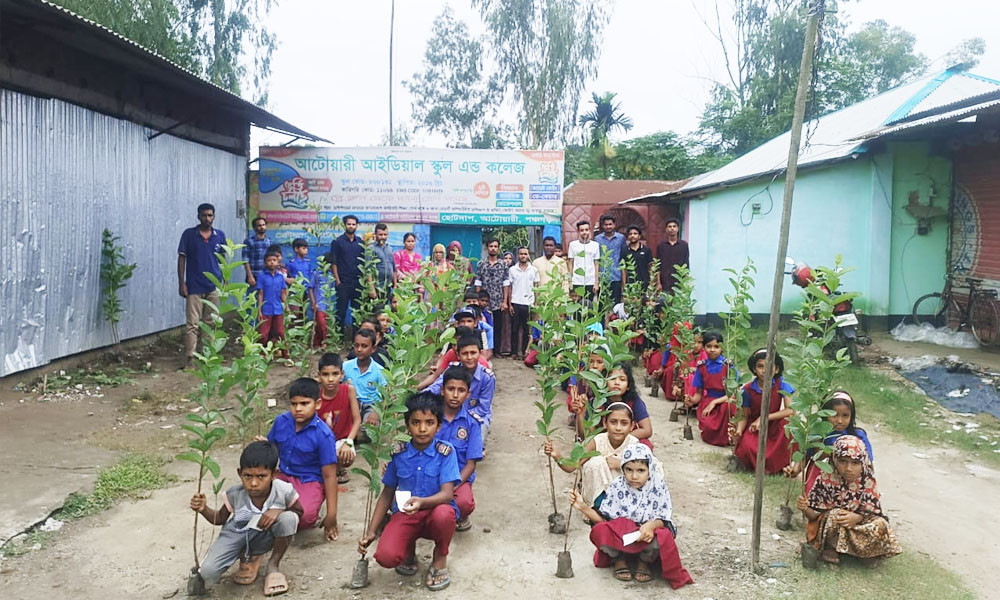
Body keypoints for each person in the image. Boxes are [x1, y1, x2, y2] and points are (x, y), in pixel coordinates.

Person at [358, 392, 461, 591]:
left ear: (439, 426)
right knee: (385, 557)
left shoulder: (446, 452)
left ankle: (440, 557)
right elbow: (387, 493)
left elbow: (447, 494)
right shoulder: (399, 452)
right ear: (407, 425)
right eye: (416, 422)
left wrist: (422, 502)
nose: (422, 429)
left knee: (445, 514)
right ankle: (408, 548)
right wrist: (371, 531)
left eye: (429, 422)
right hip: (405, 513)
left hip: (434, 513)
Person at [569, 444, 693, 588]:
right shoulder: (617, 486)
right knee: (600, 530)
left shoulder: (658, 486)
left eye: (641, 470)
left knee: (664, 536)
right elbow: (605, 520)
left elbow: (664, 519)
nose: (634, 476)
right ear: (622, 469)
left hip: (646, 536)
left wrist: (651, 525)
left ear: (650, 470)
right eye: (629, 470)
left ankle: (644, 560)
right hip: (621, 537)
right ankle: (619, 558)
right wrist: (582, 507)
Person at [190, 441, 302, 596]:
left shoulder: (283, 490)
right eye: (247, 476)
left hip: (264, 534)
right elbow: (220, 519)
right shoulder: (235, 494)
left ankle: (273, 565)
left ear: (274, 474)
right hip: (237, 535)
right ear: (239, 473)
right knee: (208, 572)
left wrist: (279, 510)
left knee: (288, 519)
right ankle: (246, 557)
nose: (253, 483)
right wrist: (203, 509)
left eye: (261, 476)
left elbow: (299, 512)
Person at [797, 435, 901, 565]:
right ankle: (831, 548)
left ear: (863, 463)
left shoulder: (867, 480)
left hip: (858, 526)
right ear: (834, 459)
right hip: (837, 527)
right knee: (834, 516)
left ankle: (867, 552)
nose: (848, 468)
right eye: (843, 461)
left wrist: (857, 517)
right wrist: (805, 508)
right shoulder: (826, 479)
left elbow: (874, 513)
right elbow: (814, 516)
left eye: (855, 463)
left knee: (880, 524)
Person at [265, 377, 339, 537]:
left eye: (304, 404)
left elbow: (329, 475)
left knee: (305, 518)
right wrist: (263, 446)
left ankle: (283, 511)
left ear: (317, 404)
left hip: (309, 480)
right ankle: (279, 511)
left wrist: (332, 515)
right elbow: (271, 449)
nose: (298, 408)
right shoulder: (281, 422)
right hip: (283, 475)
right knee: (255, 498)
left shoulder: (323, 435)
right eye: (294, 404)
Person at [545, 402, 638, 506]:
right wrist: (557, 456)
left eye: (624, 423)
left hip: (626, 498)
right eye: (613, 422)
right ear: (604, 423)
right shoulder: (598, 441)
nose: (618, 428)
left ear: (632, 426)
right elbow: (572, 466)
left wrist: (621, 464)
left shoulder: (634, 445)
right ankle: (597, 507)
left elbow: (648, 472)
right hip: (599, 497)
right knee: (596, 462)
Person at [784, 390, 873, 494]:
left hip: (850, 479)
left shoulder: (858, 436)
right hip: (819, 477)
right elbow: (805, 456)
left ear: (851, 416)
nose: (840, 421)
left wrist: (870, 484)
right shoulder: (816, 435)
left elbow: (868, 463)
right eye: (834, 415)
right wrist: (795, 470)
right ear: (825, 415)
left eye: (845, 415)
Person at [177, 203, 226, 368]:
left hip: (213, 287)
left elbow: (222, 260)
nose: (207, 218)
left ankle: (207, 358)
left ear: (214, 216)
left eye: (210, 215)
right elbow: (182, 258)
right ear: (198, 216)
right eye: (204, 215)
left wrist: (224, 280)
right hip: (194, 286)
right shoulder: (189, 235)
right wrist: (181, 282)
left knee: (210, 323)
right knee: (192, 324)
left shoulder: (219, 236)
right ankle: (190, 358)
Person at [435, 366, 483, 532]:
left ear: (468, 394)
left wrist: (452, 486)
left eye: (461, 390)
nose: (455, 395)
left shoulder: (472, 424)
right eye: (450, 389)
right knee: (398, 501)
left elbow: (471, 464)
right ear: (442, 390)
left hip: (457, 479)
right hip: (429, 474)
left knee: (464, 503)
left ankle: (459, 516)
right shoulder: (430, 417)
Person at [733, 348, 795, 474]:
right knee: (748, 447)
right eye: (760, 366)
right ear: (754, 369)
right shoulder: (747, 390)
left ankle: (778, 465)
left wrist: (764, 418)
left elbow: (791, 410)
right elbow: (744, 415)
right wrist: (739, 431)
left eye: (769, 366)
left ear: (776, 369)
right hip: (755, 428)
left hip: (773, 425)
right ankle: (760, 466)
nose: (765, 370)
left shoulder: (781, 383)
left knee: (789, 426)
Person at [426, 335, 495, 446]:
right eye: (465, 353)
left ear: (480, 353)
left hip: (475, 415)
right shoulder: (452, 368)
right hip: (450, 411)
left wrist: (461, 416)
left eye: (473, 353)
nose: (469, 357)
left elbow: (483, 408)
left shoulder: (487, 377)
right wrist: (420, 398)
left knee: (475, 443)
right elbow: (436, 386)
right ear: (458, 355)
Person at [574, 364, 653, 449]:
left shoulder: (634, 401)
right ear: (604, 382)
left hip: (628, 441)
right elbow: (587, 435)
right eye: (612, 378)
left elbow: (647, 430)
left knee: (645, 446)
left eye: (622, 379)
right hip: (603, 442)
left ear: (628, 386)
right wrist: (581, 414)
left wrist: (621, 438)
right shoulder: (597, 401)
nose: (617, 383)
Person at [316, 353, 361, 484]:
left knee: (347, 456)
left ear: (342, 374)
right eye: (325, 375)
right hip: (321, 440)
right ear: (319, 376)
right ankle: (328, 469)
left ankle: (339, 468)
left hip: (341, 440)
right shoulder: (315, 394)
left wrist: (349, 442)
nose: (330, 379)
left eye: (335, 374)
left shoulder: (348, 390)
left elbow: (357, 420)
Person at [688, 331, 736, 447]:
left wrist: (715, 402)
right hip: (708, 400)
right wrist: (692, 400)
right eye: (709, 346)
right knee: (709, 425)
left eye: (716, 346)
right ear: (704, 348)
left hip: (726, 400)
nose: (712, 350)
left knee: (726, 408)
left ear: (722, 348)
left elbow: (734, 392)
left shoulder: (728, 366)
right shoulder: (702, 367)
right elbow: (699, 393)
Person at [343, 329, 388, 430]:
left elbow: (385, 395)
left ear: (373, 349)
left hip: (371, 405)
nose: (359, 349)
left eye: (364, 346)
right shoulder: (345, 367)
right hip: (351, 403)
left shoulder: (379, 371)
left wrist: (376, 412)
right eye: (356, 345)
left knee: (370, 430)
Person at [503, 247, 539, 360]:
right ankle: (514, 352)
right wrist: (510, 304)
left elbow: (536, 287)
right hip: (516, 302)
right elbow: (509, 287)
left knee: (526, 329)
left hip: (528, 303)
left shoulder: (533, 270)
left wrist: (536, 302)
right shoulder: (512, 270)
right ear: (518, 255)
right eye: (521, 254)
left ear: (528, 255)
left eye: (525, 254)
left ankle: (524, 351)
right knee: (514, 329)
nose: (523, 256)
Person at [330, 214, 364, 332]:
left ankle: (356, 338)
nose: (351, 226)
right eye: (349, 224)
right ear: (345, 225)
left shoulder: (360, 242)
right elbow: (333, 262)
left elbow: (363, 262)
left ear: (356, 226)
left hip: (357, 282)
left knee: (357, 312)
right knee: (341, 311)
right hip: (343, 282)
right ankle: (339, 340)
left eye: (353, 224)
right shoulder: (337, 242)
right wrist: (338, 281)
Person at [476, 239, 508, 354]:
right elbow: (478, 282)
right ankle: (484, 349)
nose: (493, 248)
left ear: (498, 248)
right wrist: (477, 300)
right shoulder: (481, 264)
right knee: (483, 326)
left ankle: (497, 351)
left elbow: (506, 283)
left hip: (498, 301)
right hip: (484, 301)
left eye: (495, 246)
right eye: (491, 246)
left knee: (498, 327)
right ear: (487, 248)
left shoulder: (503, 264)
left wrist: (505, 301)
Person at [256, 249, 288, 353]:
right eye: (269, 260)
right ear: (265, 263)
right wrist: (259, 310)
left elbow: (283, 293)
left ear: (278, 262)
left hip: (278, 308)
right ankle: (261, 355)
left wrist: (286, 306)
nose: (272, 262)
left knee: (280, 332)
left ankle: (286, 355)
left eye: (274, 260)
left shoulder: (280, 277)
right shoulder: (262, 276)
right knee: (264, 333)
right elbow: (260, 293)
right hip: (266, 309)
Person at [596, 214, 627, 304]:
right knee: (601, 305)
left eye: (610, 224)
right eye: (606, 224)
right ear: (602, 226)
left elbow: (623, 258)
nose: (608, 226)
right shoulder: (597, 239)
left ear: (614, 225)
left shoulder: (621, 238)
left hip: (616, 276)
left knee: (616, 304)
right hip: (603, 276)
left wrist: (624, 281)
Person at [656, 218, 689, 294]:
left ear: (678, 229)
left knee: (678, 305)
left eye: (674, 226)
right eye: (669, 226)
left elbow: (686, 264)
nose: (672, 228)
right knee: (664, 304)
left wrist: (685, 283)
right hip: (664, 283)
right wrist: (658, 283)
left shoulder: (684, 245)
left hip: (679, 282)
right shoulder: (661, 246)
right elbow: (658, 266)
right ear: (666, 229)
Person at [568, 220, 601, 297]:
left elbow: (596, 264)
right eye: (582, 230)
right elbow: (570, 263)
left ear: (589, 230)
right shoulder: (573, 245)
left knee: (589, 304)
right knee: (577, 305)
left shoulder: (595, 245)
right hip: (577, 280)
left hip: (590, 281)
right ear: (578, 232)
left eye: (586, 230)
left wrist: (596, 282)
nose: (584, 232)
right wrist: (570, 281)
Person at [309, 257, 333, 348]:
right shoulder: (316, 273)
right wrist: (313, 302)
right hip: (319, 304)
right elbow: (310, 288)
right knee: (321, 324)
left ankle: (317, 344)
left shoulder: (331, 275)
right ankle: (324, 343)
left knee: (322, 325)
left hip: (328, 305)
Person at [242, 216, 271, 288]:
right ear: (254, 228)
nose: (262, 227)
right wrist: (250, 276)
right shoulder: (249, 241)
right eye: (259, 225)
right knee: (252, 297)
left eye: (263, 225)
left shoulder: (269, 241)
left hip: (267, 274)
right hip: (254, 275)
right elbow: (245, 260)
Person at [623, 226, 653, 290]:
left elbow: (650, 267)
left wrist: (651, 283)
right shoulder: (624, 250)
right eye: (630, 234)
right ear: (628, 237)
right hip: (630, 284)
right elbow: (623, 269)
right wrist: (624, 285)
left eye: (635, 233)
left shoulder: (646, 250)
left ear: (639, 236)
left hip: (645, 283)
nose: (632, 236)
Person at [372, 222, 395, 297]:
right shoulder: (371, 249)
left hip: (388, 287)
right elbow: (368, 271)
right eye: (380, 234)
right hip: (377, 288)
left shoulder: (389, 249)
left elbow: (394, 269)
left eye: (385, 234)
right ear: (375, 234)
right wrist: (371, 289)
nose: (383, 237)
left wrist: (395, 285)